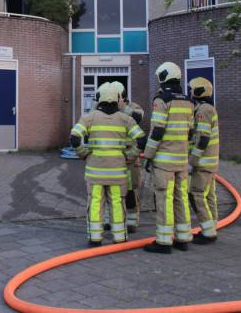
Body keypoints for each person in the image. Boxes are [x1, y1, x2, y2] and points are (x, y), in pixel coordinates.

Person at [70, 82, 142, 246]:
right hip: (118, 172)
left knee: (95, 202)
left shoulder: (89, 117)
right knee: (117, 203)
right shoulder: (125, 119)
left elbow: (74, 138)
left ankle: (95, 238)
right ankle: (120, 238)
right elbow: (141, 140)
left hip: (95, 173)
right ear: (117, 99)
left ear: (98, 98)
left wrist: (83, 154)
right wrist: (129, 156)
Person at [140, 62, 195, 254]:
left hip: (164, 162)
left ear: (163, 77)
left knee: (164, 199)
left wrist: (148, 155)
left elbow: (157, 131)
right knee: (181, 198)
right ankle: (183, 238)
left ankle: (164, 242)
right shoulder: (188, 101)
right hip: (181, 160)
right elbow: (191, 130)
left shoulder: (161, 100)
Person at [188, 77, 220, 244]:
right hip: (209, 162)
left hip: (203, 163)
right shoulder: (206, 108)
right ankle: (212, 227)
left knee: (196, 195)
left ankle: (208, 232)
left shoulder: (203, 111)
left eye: (191, 89)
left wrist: (192, 160)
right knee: (209, 196)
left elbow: (203, 138)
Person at [111, 81, 145, 233]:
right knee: (110, 188)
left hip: (130, 156)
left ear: (122, 97)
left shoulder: (134, 107)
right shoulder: (108, 107)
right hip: (112, 155)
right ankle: (108, 217)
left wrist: (122, 108)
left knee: (130, 190)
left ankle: (132, 219)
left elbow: (138, 118)